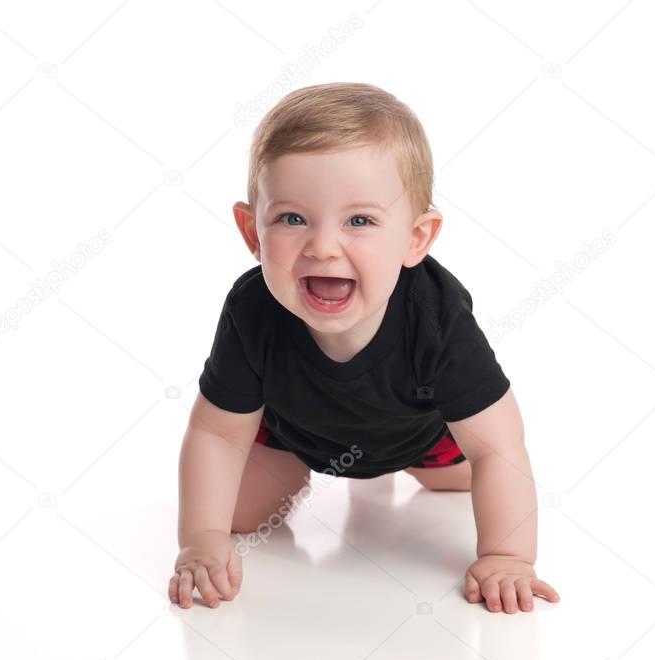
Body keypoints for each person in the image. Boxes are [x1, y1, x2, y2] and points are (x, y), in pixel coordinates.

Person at [168, 82, 559, 615]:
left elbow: (498, 446)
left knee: (470, 473)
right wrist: (201, 538)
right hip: (295, 432)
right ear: (251, 231)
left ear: (416, 239)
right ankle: (295, 473)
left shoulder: (434, 316)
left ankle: (422, 470)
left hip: (423, 435)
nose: (323, 246)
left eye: (360, 221)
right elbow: (216, 431)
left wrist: (508, 556)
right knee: (238, 514)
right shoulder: (252, 309)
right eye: (292, 218)